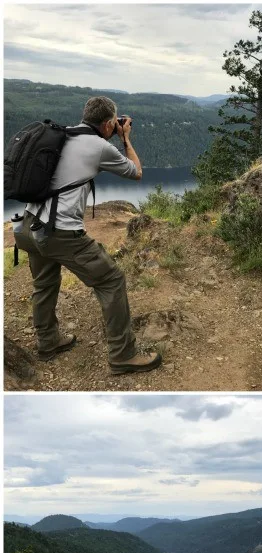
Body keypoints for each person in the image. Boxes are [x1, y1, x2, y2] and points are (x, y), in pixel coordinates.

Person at [14, 96, 161, 375]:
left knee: (44, 284)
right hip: (59, 233)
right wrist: (125, 139)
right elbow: (136, 172)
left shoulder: (62, 134)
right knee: (111, 280)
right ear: (108, 124)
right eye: (114, 123)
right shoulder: (99, 146)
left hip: (28, 225)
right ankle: (123, 355)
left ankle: (48, 342)